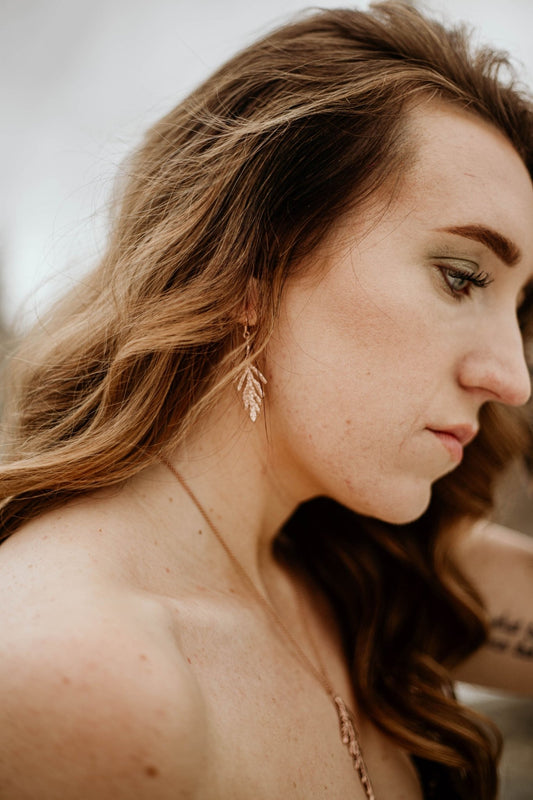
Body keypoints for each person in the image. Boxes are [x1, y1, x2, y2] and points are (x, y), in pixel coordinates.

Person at [0, 2, 532, 798]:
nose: (512, 378)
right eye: (460, 278)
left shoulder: (357, 568)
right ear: (254, 265)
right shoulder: (89, 679)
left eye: (520, 310)